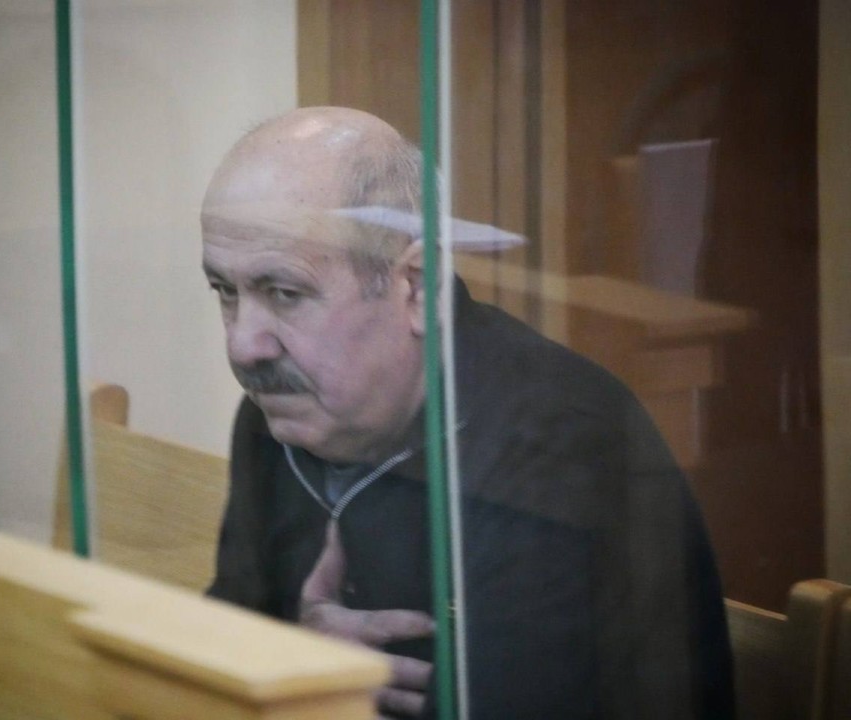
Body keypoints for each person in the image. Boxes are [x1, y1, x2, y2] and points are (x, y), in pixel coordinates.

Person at [202, 106, 733, 719]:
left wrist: (299, 685)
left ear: (415, 286)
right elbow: (218, 649)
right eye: (226, 291)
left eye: (284, 293)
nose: (244, 345)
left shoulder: (560, 446)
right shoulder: (279, 413)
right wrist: (290, 659)